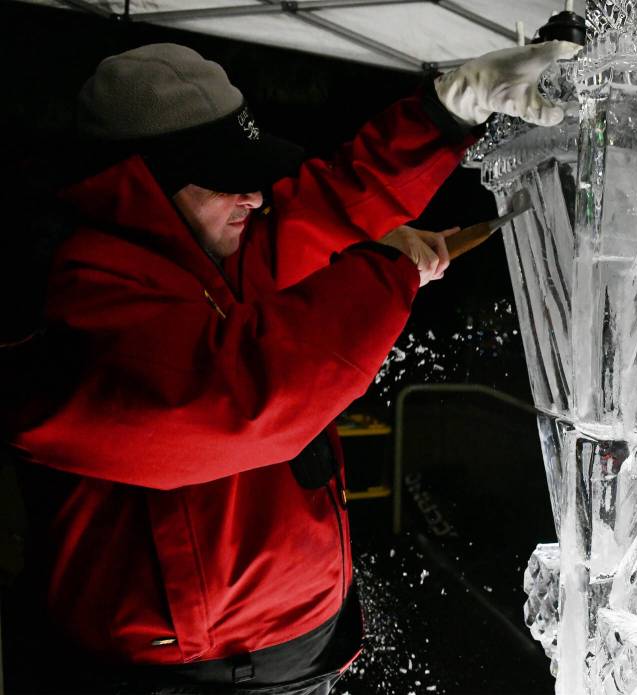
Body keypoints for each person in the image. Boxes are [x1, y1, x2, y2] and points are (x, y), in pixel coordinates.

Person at [1, 39, 579, 695]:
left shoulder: (214, 255)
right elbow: (244, 400)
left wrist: (444, 114)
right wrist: (389, 271)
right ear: (141, 188)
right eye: (222, 176)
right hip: (181, 681)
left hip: (300, 658)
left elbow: (332, 207)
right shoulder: (76, 301)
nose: (253, 194)